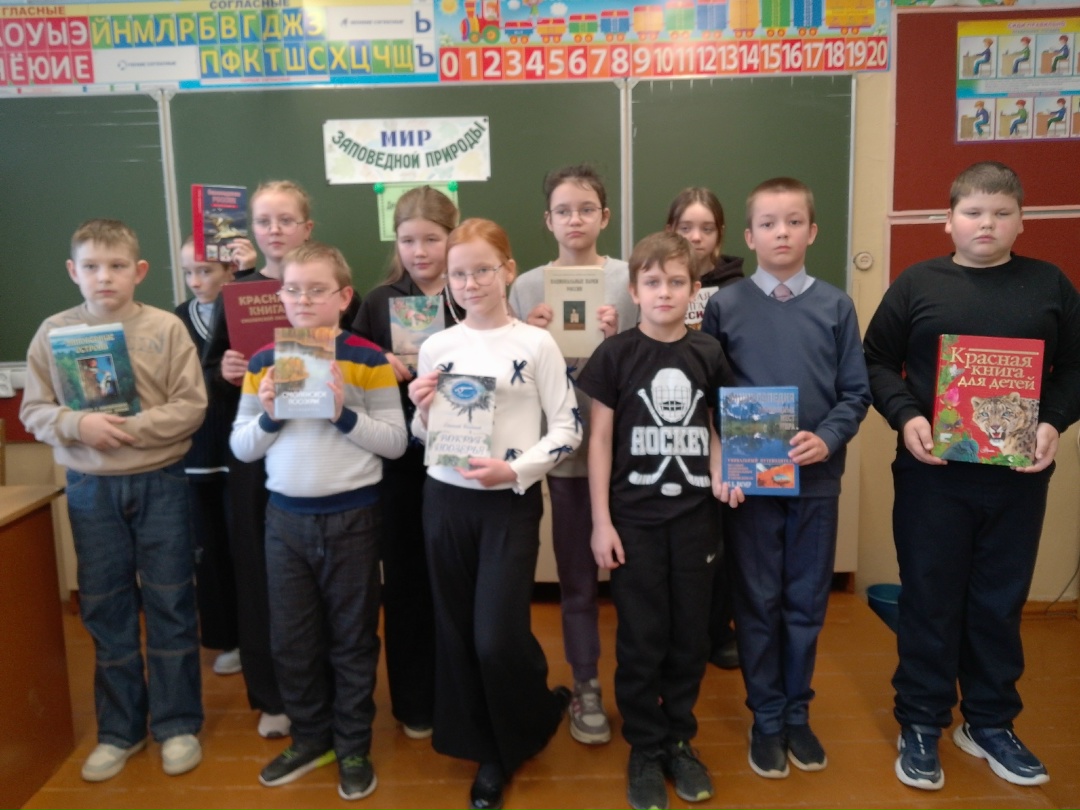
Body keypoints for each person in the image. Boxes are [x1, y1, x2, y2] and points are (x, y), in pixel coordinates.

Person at [863, 161, 1080, 791]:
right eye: (974, 212)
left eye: (1002, 213)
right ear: (949, 220)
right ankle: (921, 721)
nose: (987, 223)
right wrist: (906, 416)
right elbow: (876, 360)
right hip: (933, 475)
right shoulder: (917, 283)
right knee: (929, 598)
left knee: (998, 602)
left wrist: (1054, 421)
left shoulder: (1049, 284)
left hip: (1017, 477)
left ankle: (988, 722)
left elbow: (1074, 368)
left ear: (1021, 221)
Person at [20, 219, 208, 782]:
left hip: (161, 481)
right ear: (73, 271)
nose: (105, 277)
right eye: (93, 267)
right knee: (106, 607)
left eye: (118, 266)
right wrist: (79, 425)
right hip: (91, 488)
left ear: (139, 271)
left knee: (172, 601)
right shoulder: (53, 332)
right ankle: (121, 729)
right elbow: (34, 410)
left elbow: (190, 406)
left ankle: (176, 723)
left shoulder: (166, 328)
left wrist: (126, 431)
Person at [701, 177, 871, 779]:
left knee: (805, 603)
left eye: (794, 222)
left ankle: (798, 713)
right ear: (749, 237)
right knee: (757, 601)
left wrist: (828, 437)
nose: (782, 233)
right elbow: (708, 394)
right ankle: (767, 718)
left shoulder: (836, 307)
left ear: (812, 232)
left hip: (816, 481)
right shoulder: (724, 306)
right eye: (768, 224)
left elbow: (856, 392)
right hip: (751, 485)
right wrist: (722, 459)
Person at [408, 218, 578, 810]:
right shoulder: (437, 346)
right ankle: (487, 750)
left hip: (509, 502)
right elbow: (424, 435)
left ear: (508, 270)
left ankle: (530, 713)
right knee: (457, 632)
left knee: (495, 637)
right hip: (445, 500)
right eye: (458, 274)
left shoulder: (535, 344)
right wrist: (421, 410)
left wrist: (515, 470)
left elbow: (568, 428)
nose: (470, 283)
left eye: (482, 269)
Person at [230, 241, 407, 800]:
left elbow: (396, 443)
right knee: (292, 640)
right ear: (280, 296)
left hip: (353, 518)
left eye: (317, 289)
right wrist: (270, 417)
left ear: (344, 296)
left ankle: (353, 744)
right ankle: (311, 737)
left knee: (352, 640)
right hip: (286, 521)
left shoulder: (368, 360)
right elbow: (241, 447)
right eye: (293, 289)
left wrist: (340, 413)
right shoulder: (263, 362)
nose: (303, 299)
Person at [578, 230, 740, 810]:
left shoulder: (708, 353)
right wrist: (601, 522)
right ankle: (645, 747)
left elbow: (716, 426)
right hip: (634, 522)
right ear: (634, 290)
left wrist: (722, 469)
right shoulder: (615, 355)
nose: (664, 292)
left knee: (689, 637)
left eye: (676, 282)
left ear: (694, 289)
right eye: (653, 282)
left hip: (697, 520)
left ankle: (678, 740)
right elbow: (599, 441)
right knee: (642, 638)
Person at [507, 164, 637, 746]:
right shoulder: (526, 287)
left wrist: (618, 339)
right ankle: (586, 683)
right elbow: (511, 377)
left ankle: (640, 684)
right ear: (548, 220)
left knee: (636, 583)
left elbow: (654, 356)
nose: (575, 219)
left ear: (603, 216)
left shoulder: (631, 278)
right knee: (578, 580)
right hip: (566, 455)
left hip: (630, 451)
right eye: (563, 210)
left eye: (586, 209)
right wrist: (529, 336)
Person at [202, 179, 314, 739]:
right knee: (258, 574)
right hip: (255, 459)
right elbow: (210, 373)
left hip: (317, 451)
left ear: (306, 228)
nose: (275, 230)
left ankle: (323, 690)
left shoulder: (327, 286)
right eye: (264, 221)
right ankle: (272, 694)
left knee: (317, 578)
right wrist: (223, 373)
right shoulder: (237, 294)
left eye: (286, 220)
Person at [351, 186, 461, 740]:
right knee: (407, 581)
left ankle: (460, 694)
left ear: (452, 237)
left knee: (457, 581)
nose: (419, 251)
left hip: (463, 457)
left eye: (432, 239)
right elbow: (346, 369)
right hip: (401, 465)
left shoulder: (472, 290)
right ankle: (415, 702)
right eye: (408, 240)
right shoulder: (378, 302)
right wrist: (376, 359)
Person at [665, 186, 745, 671]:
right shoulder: (659, 282)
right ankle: (681, 632)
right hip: (673, 424)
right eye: (685, 227)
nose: (696, 237)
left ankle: (720, 629)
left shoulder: (740, 290)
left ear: (721, 234)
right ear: (670, 230)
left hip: (728, 422)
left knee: (726, 535)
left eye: (706, 228)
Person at [174, 236, 242, 677]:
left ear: (229, 270)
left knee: (245, 548)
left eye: (206, 270)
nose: (196, 281)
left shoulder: (247, 310)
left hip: (243, 449)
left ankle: (256, 636)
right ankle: (226, 638)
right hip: (198, 453)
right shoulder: (176, 320)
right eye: (189, 272)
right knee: (209, 552)